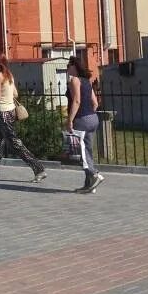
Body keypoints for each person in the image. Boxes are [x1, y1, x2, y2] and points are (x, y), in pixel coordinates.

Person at [0, 51, 46, 182]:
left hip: (2, 113)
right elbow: (16, 94)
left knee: (14, 143)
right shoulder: (9, 75)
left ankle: (38, 168)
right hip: (10, 111)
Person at [66, 55, 103, 194]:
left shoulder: (75, 80)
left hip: (81, 119)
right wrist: (89, 114)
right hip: (93, 118)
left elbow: (76, 101)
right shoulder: (86, 81)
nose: (67, 69)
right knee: (87, 150)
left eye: (69, 66)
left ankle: (94, 175)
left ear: (74, 67)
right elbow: (95, 103)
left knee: (81, 152)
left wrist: (70, 119)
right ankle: (88, 185)